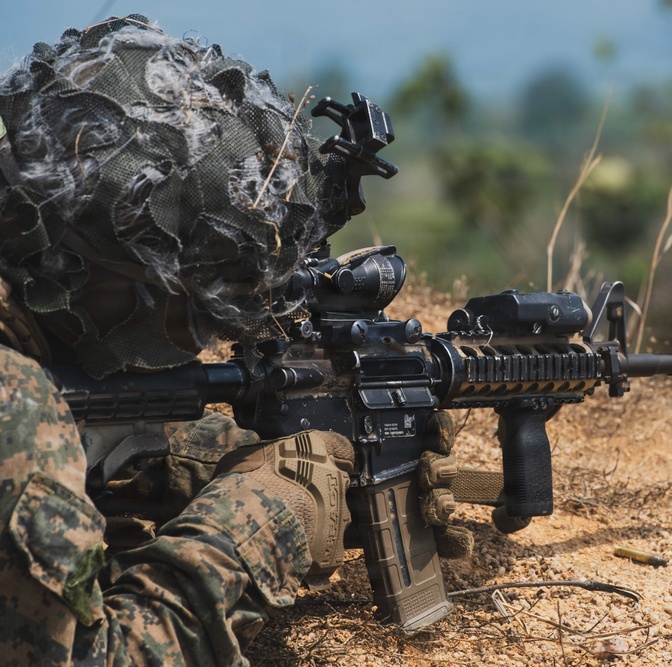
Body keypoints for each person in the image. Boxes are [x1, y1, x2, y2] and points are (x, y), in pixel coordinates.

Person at [0, 16, 465, 665]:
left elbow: (90, 442)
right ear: (105, 276)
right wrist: (258, 522)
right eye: (197, 295)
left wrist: (299, 472)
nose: (218, 328)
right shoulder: (17, 409)